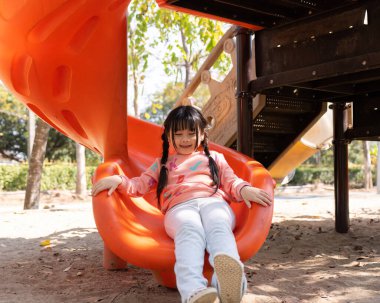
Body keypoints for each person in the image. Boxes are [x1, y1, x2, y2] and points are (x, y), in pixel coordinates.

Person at [92, 104, 272, 303]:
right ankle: (194, 291)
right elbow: (140, 185)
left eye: (190, 133)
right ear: (169, 136)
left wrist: (245, 189)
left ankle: (228, 281)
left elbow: (231, 181)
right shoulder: (162, 164)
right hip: (180, 208)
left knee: (218, 225)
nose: (185, 139)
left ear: (202, 134)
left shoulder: (215, 158)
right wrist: (119, 180)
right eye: (178, 134)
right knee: (189, 230)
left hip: (213, 202)